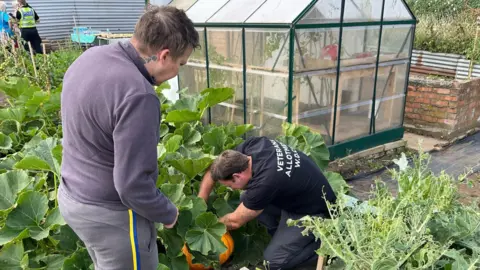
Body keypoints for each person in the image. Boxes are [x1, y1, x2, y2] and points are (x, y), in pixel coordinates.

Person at [58, 6, 200, 270]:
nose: (178, 72)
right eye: (180, 64)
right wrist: (168, 213)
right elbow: (131, 185)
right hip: (111, 216)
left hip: (72, 197)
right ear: (164, 55)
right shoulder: (139, 95)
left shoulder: (90, 58)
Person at [198, 136, 337, 270]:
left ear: (237, 176)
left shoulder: (265, 182)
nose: (231, 189)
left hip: (315, 212)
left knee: (273, 262)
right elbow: (213, 171)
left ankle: (326, 245)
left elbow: (235, 221)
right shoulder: (251, 147)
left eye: (230, 186)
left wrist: (208, 228)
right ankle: (283, 239)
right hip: (299, 195)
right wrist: (201, 201)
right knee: (245, 198)